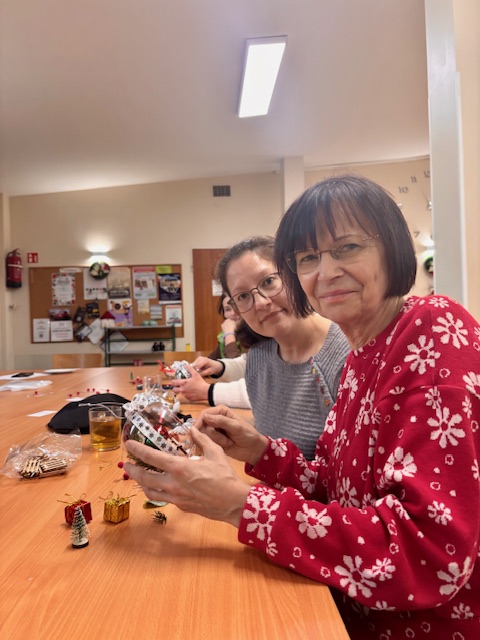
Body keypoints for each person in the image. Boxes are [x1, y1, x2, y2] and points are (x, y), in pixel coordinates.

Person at [124, 175, 480, 639]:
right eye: (308, 258)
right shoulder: (363, 353)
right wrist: (260, 451)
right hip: (340, 602)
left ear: (392, 247)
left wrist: (239, 504)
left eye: (347, 247)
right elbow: (334, 484)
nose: (324, 273)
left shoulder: (431, 329)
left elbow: (428, 555)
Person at [171, 236, 350, 459]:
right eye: (243, 296)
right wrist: (249, 442)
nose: (261, 303)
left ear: (293, 275)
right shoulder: (258, 357)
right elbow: (274, 451)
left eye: (268, 282)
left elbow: (351, 473)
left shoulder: (348, 355)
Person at [207, 295, 242, 360]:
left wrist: (229, 335)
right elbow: (211, 360)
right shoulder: (223, 335)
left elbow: (234, 364)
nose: (233, 313)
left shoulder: (255, 335)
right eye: (228, 309)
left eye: (237, 307)